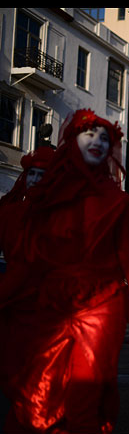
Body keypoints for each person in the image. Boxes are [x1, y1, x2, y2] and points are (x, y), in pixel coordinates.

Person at [3, 109, 129, 434]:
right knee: (39, 398)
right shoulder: (42, 199)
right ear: (72, 140)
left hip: (100, 308)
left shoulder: (119, 203)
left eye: (105, 138)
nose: (97, 141)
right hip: (49, 306)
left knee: (85, 397)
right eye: (89, 134)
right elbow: (26, 259)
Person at [0, 146, 55, 392]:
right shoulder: (9, 213)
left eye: (41, 175)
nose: (34, 180)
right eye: (31, 173)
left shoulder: (62, 216)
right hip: (13, 302)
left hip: (49, 306)